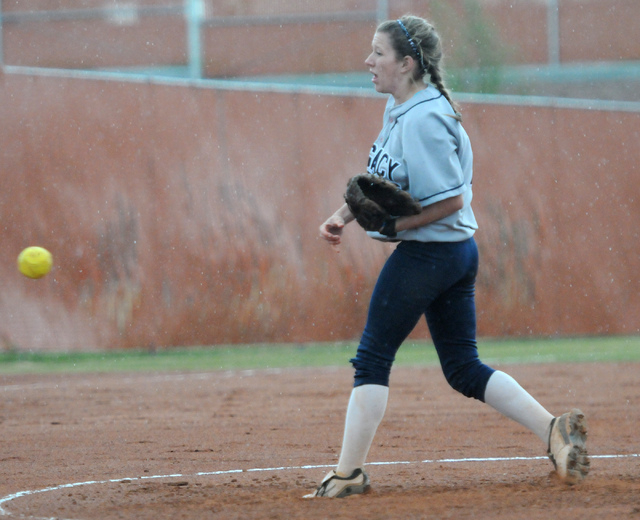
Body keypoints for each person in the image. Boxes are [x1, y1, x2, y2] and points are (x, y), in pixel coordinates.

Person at [305, 14, 589, 498]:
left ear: (408, 63)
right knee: (462, 369)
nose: (368, 61)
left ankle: (348, 474)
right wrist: (343, 216)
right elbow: (380, 185)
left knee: (372, 358)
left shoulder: (424, 119)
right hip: (452, 254)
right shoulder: (403, 109)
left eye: (379, 53)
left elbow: (452, 200)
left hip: (430, 256)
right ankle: (554, 431)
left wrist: (396, 227)